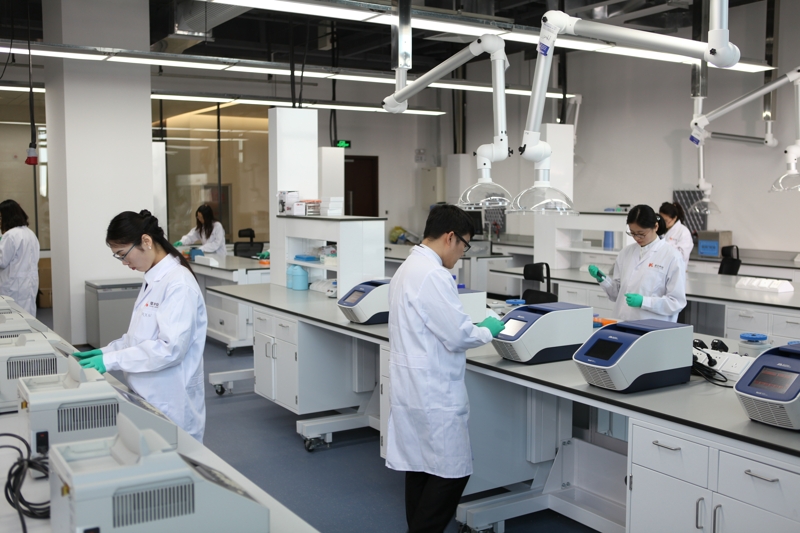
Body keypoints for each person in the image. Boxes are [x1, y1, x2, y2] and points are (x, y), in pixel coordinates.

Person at [386, 204, 505, 533]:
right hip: (433, 391)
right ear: (450, 237)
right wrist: (487, 330)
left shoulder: (409, 267)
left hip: (414, 386)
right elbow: (458, 335)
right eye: (464, 245)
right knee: (452, 472)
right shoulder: (434, 274)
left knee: (420, 467)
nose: (462, 254)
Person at [74, 210, 208, 442]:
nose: (124, 263)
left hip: (171, 401)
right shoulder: (153, 279)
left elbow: (169, 349)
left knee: (174, 458)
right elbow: (136, 338)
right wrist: (105, 352)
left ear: (146, 241)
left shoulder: (178, 284)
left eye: (123, 254)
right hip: (147, 394)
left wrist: (110, 361)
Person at [588, 204, 686, 322]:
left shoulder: (672, 256)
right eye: (633, 233)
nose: (637, 238)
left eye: (641, 233)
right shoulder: (625, 253)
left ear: (655, 226)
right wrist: (603, 279)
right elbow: (617, 295)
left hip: (653, 326)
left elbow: (676, 302)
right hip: (622, 322)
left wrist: (644, 302)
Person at [0, 200, 40, 316]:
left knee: (13, 318)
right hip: (28, 284)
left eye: (1, 217)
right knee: (27, 317)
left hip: (13, 286)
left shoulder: (10, 235)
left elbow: (2, 261)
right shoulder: (30, 233)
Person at [659, 201, 693, 266]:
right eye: (661, 220)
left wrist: (663, 246)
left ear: (674, 218)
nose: (663, 223)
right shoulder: (661, 231)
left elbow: (682, 255)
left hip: (676, 268)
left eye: (666, 221)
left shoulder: (683, 232)